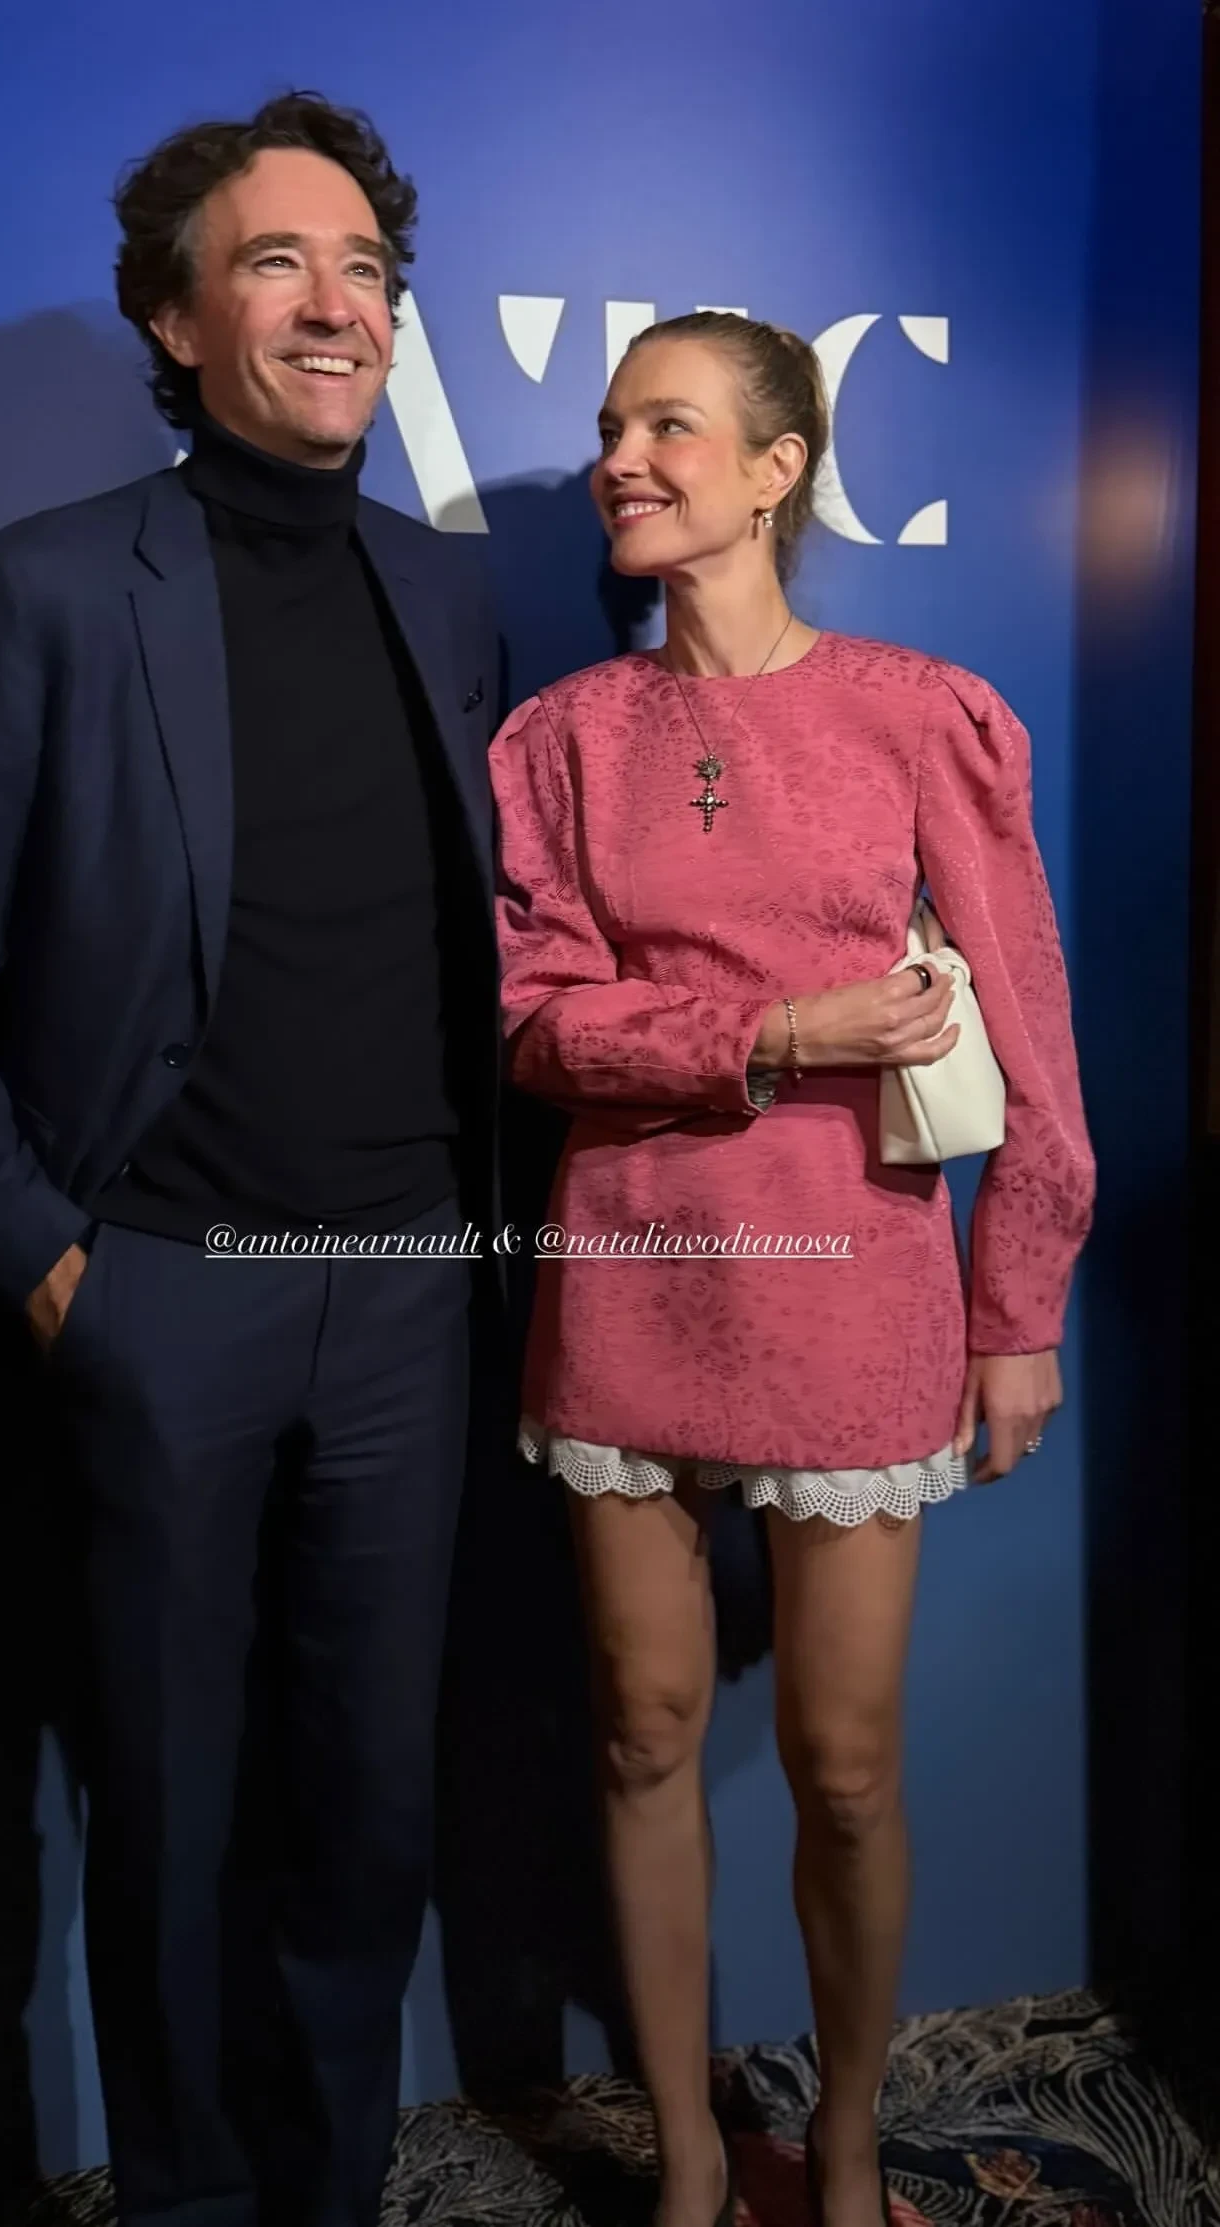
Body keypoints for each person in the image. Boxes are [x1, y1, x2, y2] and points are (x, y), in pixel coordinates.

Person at [0, 92, 500, 2227]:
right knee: (166, 1816)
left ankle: (327, 2194)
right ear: (176, 320)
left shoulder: (449, 596)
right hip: (160, 1294)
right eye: (277, 263)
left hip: (410, 1302)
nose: (338, 305)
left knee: (365, 1822)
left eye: (367, 269)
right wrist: (56, 1264)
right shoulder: (46, 593)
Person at [488, 312, 1094, 2227]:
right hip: (629, 1273)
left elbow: (1032, 1033)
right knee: (642, 1730)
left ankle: (840, 2151)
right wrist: (772, 1032)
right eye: (611, 426)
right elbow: (535, 1022)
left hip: (855, 1279)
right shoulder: (559, 739)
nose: (623, 458)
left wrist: (1019, 1304)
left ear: (777, 468)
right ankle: (687, 2157)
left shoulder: (924, 714)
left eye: (669, 425)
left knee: (844, 1767)